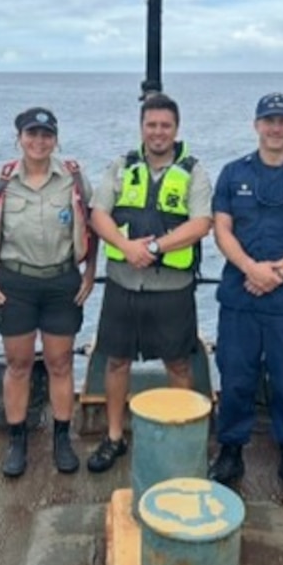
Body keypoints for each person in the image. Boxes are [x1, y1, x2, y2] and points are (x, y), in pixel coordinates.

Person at [207, 92, 283, 504]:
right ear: (256, 125)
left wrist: (276, 272)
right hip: (241, 296)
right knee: (236, 376)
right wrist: (251, 268)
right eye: (269, 120)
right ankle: (230, 452)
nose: (276, 128)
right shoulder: (232, 173)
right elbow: (221, 229)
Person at [86, 92, 213, 473]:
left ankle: (181, 439)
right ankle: (113, 437)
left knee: (179, 364)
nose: (158, 132)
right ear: (142, 127)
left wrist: (154, 247)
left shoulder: (194, 171)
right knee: (116, 361)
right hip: (123, 286)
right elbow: (98, 214)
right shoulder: (121, 167)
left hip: (172, 290)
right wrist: (126, 246)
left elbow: (200, 224)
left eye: (165, 126)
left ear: (176, 129)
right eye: (151, 125)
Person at [0, 107, 96, 478]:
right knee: (18, 365)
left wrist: (90, 271)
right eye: (31, 134)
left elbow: (93, 222)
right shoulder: (1, 180)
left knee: (60, 363)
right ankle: (17, 439)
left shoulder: (73, 177)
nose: (39, 141)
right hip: (15, 283)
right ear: (19, 137)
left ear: (56, 138)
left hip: (61, 282)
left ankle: (61, 438)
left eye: (46, 134)